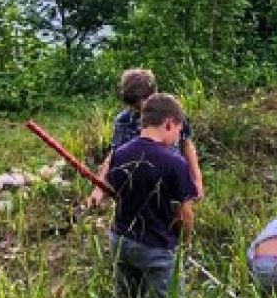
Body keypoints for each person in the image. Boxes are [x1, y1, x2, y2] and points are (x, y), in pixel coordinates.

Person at [104, 93, 198, 298]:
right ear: (168, 124)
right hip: (157, 248)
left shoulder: (120, 154)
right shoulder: (174, 162)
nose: (178, 137)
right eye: (178, 130)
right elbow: (185, 214)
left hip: (121, 242)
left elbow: (114, 192)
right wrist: (185, 242)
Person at [87, 68, 204, 207]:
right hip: (140, 183)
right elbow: (114, 155)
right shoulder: (124, 120)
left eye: (141, 104)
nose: (140, 110)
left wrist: (197, 181)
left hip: (172, 178)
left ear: (153, 94)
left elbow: (187, 144)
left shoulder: (173, 111)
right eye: (135, 107)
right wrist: (99, 187)